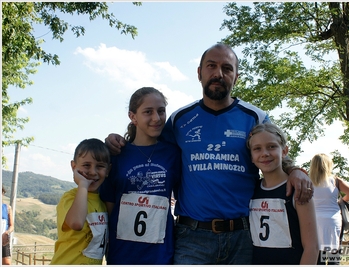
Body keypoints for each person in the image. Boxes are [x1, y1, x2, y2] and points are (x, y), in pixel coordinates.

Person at [105, 43, 313, 264]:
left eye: (227, 68)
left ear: (237, 76)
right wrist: (116, 142)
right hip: (191, 237)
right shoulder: (179, 119)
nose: (218, 74)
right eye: (211, 66)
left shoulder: (255, 116)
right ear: (199, 73)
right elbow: (148, 145)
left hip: (243, 237)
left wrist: (296, 170)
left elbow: (275, 150)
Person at [99, 87, 181, 264]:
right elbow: (109, 207)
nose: (156, 118)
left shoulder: (173, 154)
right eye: (148, 112)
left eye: (161, 111)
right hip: (122, 253)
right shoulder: (116, 155)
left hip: (161, 253)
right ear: (133, 116)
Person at [247, 122, 318, 264]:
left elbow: (312, 247)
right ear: (251, 157)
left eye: (272, 147)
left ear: (284, 151)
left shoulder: (298, 189)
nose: (265, 153)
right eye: (257, 149)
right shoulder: (251, 189)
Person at [50, 138, 111, 265]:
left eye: (100, 166)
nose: (93, 172)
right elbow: (76, 223)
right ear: (74, 167)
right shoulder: (70, 197)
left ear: (108, 171)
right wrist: (83, 185)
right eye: (86, 165)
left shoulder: (102, 203)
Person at [309, 153, 349, 265]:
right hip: (332, 220)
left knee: (317, 255)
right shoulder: (335, 181)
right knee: (333, 256)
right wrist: (341, 201)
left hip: (314, 220)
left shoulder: (307, 181)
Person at [2, 185, 14, 265]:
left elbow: (11, 226)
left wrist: (7, 232)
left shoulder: (7, 208)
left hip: (3, 241)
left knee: (7, 263)